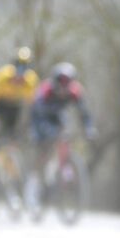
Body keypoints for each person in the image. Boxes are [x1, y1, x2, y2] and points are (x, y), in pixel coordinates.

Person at [28, 62, 95, 204]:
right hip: (41, 117)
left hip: (59, 117)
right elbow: (37, 113)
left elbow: (84, 113)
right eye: (61, 86)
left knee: (64, 139)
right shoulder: (45, 90)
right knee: (43, 150)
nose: (63, 90)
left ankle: (64, 171)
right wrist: (43, 130)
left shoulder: (75, 91)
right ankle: (34, 183)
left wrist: (89, 128)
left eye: (67, 86)